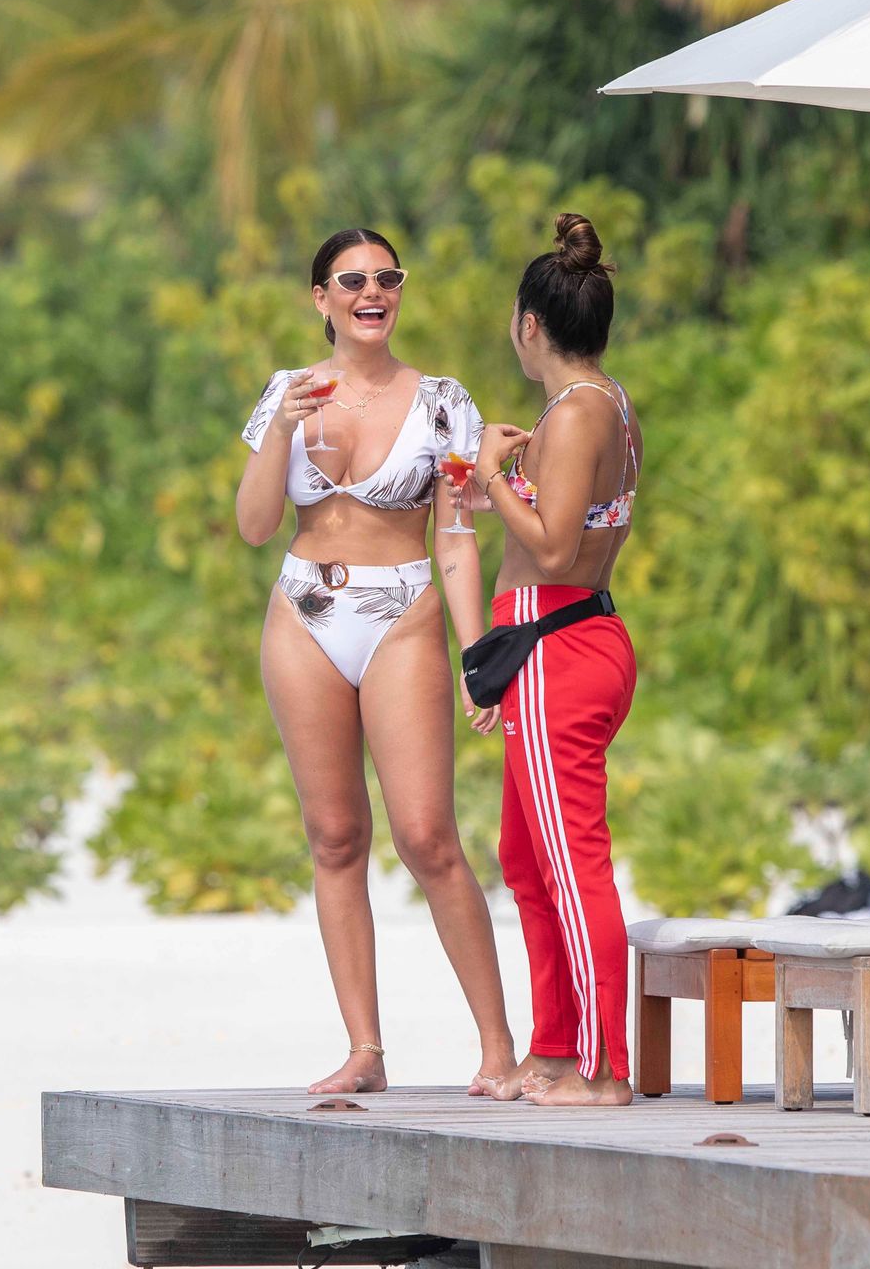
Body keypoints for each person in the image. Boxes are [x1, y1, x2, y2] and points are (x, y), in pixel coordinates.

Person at [235, 227, 517, 1097]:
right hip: (303, 612)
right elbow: (254, 525)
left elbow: (457, 536)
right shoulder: (287, 392)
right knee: (334, 836)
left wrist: (478, 653)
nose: (373, 293)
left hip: (402, 611)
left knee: (429, 837)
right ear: (320, 298)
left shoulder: (443, 402)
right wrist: (281, 432)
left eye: (387, 278)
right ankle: (366, 1049)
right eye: (352, 281)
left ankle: (498, 1048)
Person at [455, 213, 642, 1107]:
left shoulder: (573, 414)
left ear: (529, 324)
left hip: (558, 642)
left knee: (569, 862)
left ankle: (604, 1071)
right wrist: (498, 491)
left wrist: (494, 475)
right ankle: (556, 1051)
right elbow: (572, 518)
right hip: (562, 637)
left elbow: (558, 549)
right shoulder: (606, 404)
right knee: (527, 858)